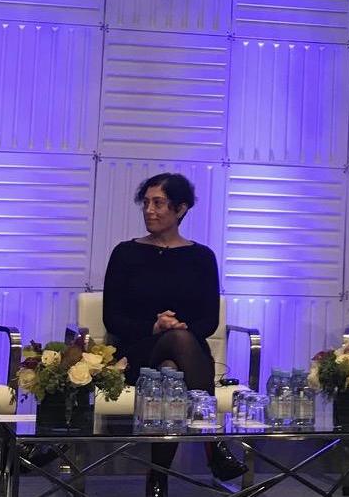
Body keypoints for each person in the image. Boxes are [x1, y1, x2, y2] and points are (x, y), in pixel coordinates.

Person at [101, 172, 245, 497]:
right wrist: (155, 327)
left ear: (180, 209)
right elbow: (112, 317)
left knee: (172, 365)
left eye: (159, 203)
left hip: (186, 354)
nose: (149, 210)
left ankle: (158, 478)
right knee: (174, 352)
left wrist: (179, 328)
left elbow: (209, 319)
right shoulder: (125, 253)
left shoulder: (202, 257)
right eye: (146, 203)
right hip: (136, 353)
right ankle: (212, 446)